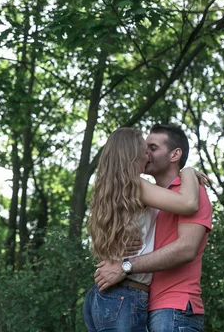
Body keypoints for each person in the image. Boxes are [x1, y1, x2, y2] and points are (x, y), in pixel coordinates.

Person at [82, 127, 205, 332]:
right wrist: (189, 172)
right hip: (125, 294)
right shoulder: (136, 186)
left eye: (152, 148)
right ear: (132, 154)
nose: (148, 154)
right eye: (145, 149)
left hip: (103, 297)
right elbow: (188, 203)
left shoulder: (114, 188)